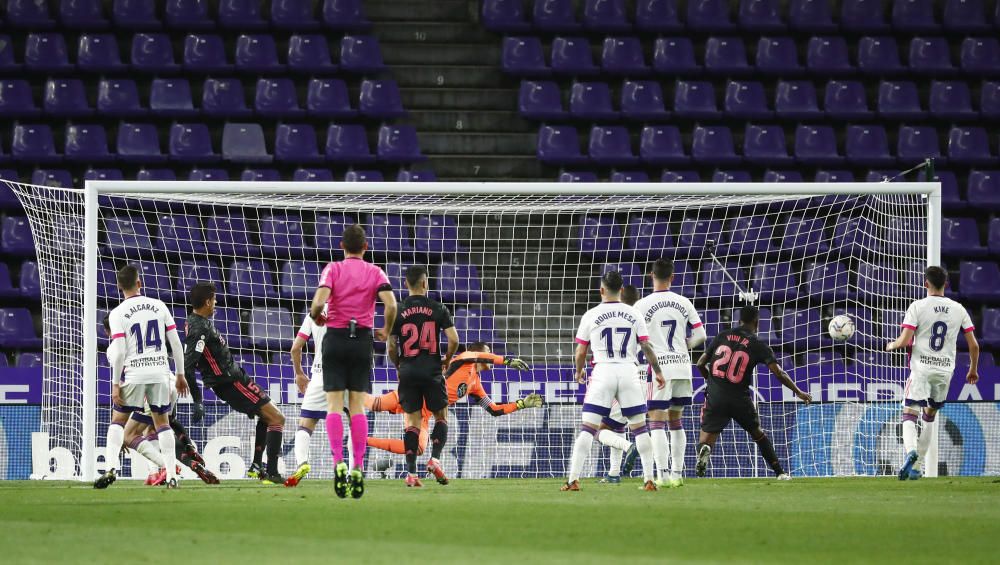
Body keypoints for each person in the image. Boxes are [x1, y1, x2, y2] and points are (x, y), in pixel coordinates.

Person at [365, 341, 538, 483]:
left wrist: (521, 404)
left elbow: (493, 409)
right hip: (414, 393)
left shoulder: (475, 384)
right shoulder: (464, 359)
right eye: (488, 352)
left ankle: (362, 440)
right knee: (374, 404)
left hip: (423, 413)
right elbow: (477, 356)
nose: (490, 356)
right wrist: (506, 360)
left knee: (418, 448)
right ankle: (347, 392)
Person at [310, 224, 397, 499]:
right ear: (366, 247)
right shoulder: (375, 272)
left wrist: (317, 317)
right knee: (357, 407)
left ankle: (339, 463)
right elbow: (392, 304)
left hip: (334, 338)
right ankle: (358, 466)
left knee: (334, 406)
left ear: (341, 246)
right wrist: (386, 329)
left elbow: (317, 304)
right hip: (362, 340)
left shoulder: (332, 269)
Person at [563, 271, 665, 492]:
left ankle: (573, 480)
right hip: (629, 371)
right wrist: (657, 371)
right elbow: (647, 347)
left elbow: (581, 351)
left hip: (603, 371)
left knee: (588, 429)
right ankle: (649, 480)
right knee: (640, 428)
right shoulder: (633, 313)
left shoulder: (591, 314)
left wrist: (579, 372)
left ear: (601, 290)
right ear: (621, 290)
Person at [94, 265, 187, 489]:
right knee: (162, 424)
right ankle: (172, 476)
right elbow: (175, 343)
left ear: (118, 287)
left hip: (135, 372)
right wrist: (180, 374)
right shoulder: (158, 306)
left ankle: (111, 468)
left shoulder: (117, 313)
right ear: (139, 283)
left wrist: (115, 384)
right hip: (159, 371)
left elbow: (118, 353)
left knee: (118, 421)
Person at [184, 282, 286, 485]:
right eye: (213, 299)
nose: (216, 303)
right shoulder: (199, 328)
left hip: (235, 377)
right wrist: (198, 400)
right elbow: (189, 365)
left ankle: (257, 466)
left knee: (267, 417)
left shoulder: (198, 321)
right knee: (277, 419)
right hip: (230, 381)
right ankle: (272, 472)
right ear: (206, 301)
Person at [694, 306, 812, 480]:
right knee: (758, 434)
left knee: (706, 437)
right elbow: (779, 373)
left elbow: (700, 363)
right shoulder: (758, 345)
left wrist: (711, 381)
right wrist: (798, 392)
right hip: (739, 399)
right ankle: (780, 472)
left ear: (739, 319)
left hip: (716, 395)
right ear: (757, 322)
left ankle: (705, 452)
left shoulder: (722, 336)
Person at [887, 266, 979, 480]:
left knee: (909, 413)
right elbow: (974, 345)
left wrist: (890, 345)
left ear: (925, 283)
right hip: (944, 370)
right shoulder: (959, 309)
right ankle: (918, 466)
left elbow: (904, 340)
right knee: (930, 416)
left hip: (921, 369)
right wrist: (973, 369)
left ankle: (911, 452)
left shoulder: (917, 306)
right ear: (946, 284)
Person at [633, 259, 706, 487]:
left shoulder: (641, 305)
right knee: (676, 421)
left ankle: (662, 475)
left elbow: (637, 343)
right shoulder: (684, 302)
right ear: (672, 277)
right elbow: (702, 335)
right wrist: (686, 346)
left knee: (656, 421)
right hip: (683, 365)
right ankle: (677, 474)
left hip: (659, 369)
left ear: (651, 275)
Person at [387, 266, 460, 487]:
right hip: (432, 370)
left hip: (408, 370)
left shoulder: (397, 310)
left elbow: (390, 346)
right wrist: (447, 359)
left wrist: (399, 364)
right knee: (441, 417)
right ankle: (435, 459)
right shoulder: (438, 308)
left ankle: (411, 474)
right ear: (425, 283)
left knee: (411, 423)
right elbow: (454, 340)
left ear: (406, 284)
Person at [284, 303, 353, 487]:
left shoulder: (314, 314)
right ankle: (354, 471)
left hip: (320, 377)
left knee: (305, 425)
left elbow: (295, 348)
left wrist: (299, 373)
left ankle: (302, 463)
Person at [595, 284, 640, 485]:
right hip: (644, 379)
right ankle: (614, 473)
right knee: (617, 426)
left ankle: (629, 446)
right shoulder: (640, 319)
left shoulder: (610, 319)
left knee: (599, 430)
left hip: (620, 376)